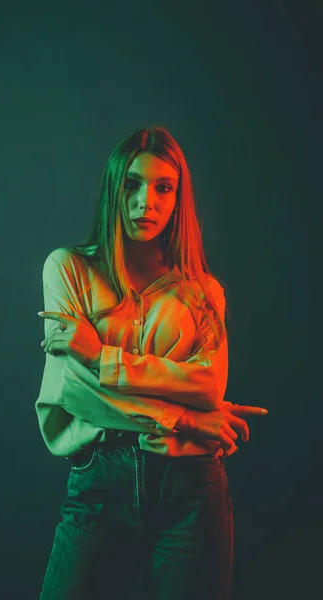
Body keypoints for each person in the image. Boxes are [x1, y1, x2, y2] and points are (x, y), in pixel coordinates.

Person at [35, 126, 268, 600]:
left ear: (179, 198)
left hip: (193, 490)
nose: (147, 202)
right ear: (114, 189)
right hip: (99, 485)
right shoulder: (68, 270)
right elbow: (75, 391)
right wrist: (181, 417)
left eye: (164, 187)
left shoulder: (204, 292)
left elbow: (208, 388)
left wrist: (100, 356)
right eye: (133, 185)